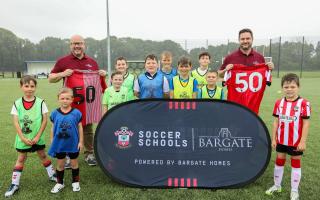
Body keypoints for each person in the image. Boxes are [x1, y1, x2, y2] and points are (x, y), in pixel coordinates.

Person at [48, 34, 107, 166]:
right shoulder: (63, 61)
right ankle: (68, 154)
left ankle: (89, 153)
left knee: (88, 129)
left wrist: (102, 74)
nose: (77, 46)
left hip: (88, 103)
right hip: (70, 103)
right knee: (67, 128)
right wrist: (63, 74)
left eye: (79, 43)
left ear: (84, 45)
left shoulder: (92, 62)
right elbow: (51, 78)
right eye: (74, 43)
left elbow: (98, 81)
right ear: (70, 45)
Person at [4, 75, 56, 198]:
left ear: (35, 87)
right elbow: (16, 122)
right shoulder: (17, 103)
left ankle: (52, 175)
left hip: (37, 137)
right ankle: (14, 184)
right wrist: (22, 137)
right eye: (26, 86)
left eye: (32, 86)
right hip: (23, 138)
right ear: (21, 87)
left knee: (43, 155)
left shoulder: (41, 102)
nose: (29, 89)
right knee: (21, 158)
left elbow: (44, 120)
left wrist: (38, 136)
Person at [265, 73, 311, 200]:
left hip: (296, 141)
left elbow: (306, 124)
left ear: (298, 87)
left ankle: (294, 190)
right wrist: (274, 138)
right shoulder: (279, 103)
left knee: (295, 163)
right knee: (279, 161)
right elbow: (276, 122)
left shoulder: (304, 103)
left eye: (292, 86)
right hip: (281, 140)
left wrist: (303, 141)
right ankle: (277, 185)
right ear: (282, 87)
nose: (289, 89)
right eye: (286, 87)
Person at [49, 87, 83, 193]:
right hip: (59, 143)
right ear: (58, 99)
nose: (65, 101)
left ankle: (75, 182)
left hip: (73, 143)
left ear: (72, 99)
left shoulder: (76, 113)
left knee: (74, 163)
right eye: (62, 98)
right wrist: (51, 140)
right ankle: (60, 183)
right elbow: (53, 127)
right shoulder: (55, 113)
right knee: (60, 164)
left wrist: (81, 141)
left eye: (67, 98)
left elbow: (80, 127)